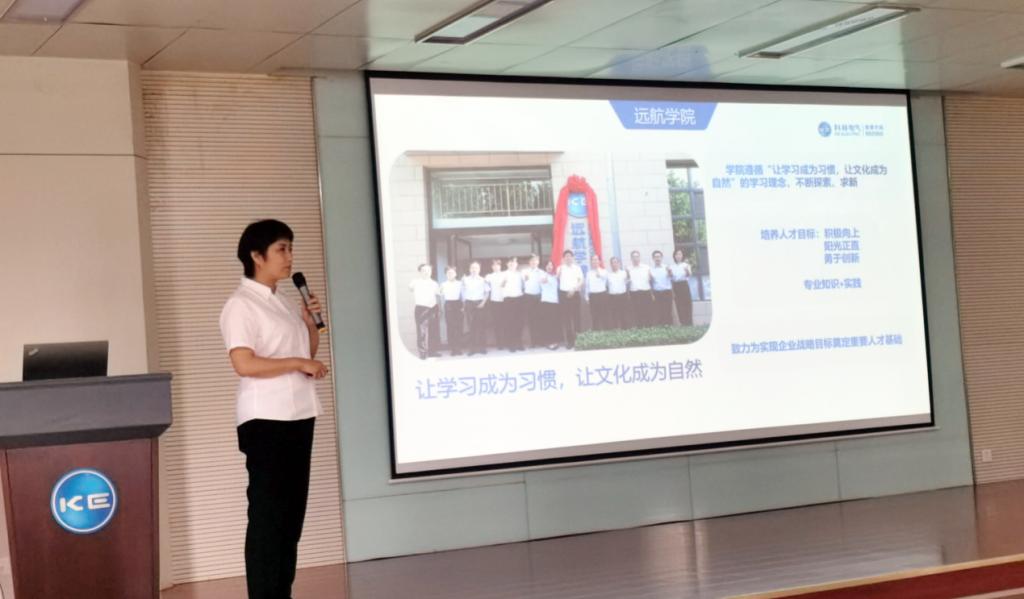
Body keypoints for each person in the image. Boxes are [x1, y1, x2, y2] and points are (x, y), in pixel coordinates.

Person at [219, 219, 328, 599]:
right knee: (268, 519)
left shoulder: (280, 301)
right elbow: (244, 363)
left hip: (299, 415)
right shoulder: (241, 304)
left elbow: (305, 354)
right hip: (266, 420)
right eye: (281, 249)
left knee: (290, 518)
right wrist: (298, 362)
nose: (289, 256)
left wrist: (309, 325)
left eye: (290, 248)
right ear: (256, 255)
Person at [409, 263, 441, 359]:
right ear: (420, 272)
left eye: (428, 270)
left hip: (433, 308)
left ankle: (432, 351)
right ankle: (423, 353)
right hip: (421, 309)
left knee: (433, 331)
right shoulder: (415, 282)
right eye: (424, 270)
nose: (426, 272)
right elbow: (410, 288)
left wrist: (439, 309)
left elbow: (438, 296)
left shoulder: (434, 283)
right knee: (421, 332)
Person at [557, 250, 584, 349]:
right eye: (566, 256)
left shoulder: (577, 268)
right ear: (563, 258)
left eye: (570, 256)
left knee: (577, 318)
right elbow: (557, 279)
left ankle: (579, 341)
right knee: (567, 319)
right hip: (564, 295)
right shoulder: (560, 268)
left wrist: (574, 289)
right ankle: (570, 342)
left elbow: (581, 281)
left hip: (575, 294)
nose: (568, 258)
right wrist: (559, 272)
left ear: (572, 258)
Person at [461, 261, 489, 355]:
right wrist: (464, 304)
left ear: (479, 269)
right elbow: (462, 293)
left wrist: (483, 303)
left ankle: (482, 348)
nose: (474, 269)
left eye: (476, 268)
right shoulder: (465, 280)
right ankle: (472, 349)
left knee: (481, 326)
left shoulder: (483, 280)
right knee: (471, 327)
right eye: (472, 267)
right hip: (469, 303)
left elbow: (487, 292)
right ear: (469, 269)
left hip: (480, 303)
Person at [502, 256, 526, 352]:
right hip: (508, 300)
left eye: (514, 262)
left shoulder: (520, 274)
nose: (512, 264)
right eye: (510, 262)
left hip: (519, 299)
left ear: (517, 264)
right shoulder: (503, 274)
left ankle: (519, 343)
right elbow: (501, 286)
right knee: (509, 323)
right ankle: (511, 344)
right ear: (507, 264)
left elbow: (525, 284)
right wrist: (504, 282)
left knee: (519, 322)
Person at [440, 266, 464, 356]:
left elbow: (463, 295)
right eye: (448, 273)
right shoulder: (443, 284)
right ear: (446, 274)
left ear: (455, 274)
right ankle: (453, 349)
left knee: (459, 327)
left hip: (458, 304)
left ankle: (459, 348)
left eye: (452, 273)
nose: (450, 274)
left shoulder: (460, 283)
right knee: (450, 327)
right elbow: (441, 297)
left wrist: (463, 306)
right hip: (448, 305)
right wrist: (441, 308)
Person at [627, 250, 654, 327]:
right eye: (634, 257)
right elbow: (627, 281)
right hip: (634, 292)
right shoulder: (628, 269)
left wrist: (652, 293)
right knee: (636, 311)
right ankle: (639, 327)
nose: (635, 258)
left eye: (637, 256)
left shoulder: (646, 267)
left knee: (647, 311)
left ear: (639, 257)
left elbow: (651, 280)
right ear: (631, 258)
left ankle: (649, 327)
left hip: (645, 291)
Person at [522, 253, 544, 347]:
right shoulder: (524, 272)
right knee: (530, 320)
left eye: (535, 260)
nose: (533, 262)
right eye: (532, 260)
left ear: (538, 262)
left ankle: (540, 341)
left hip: (539, 297)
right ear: (529, 262)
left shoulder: (541, 272)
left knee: (539, 319)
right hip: (528, 297)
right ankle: (533, 342)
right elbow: (521, 284)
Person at [484, 259, 506, 350]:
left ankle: (507, 342)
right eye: (494, 265)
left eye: (497, 265)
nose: (496, 267)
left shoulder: (505, 274)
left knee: (505, 322)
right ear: (491, 267)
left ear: (500, 266)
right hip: (494, 301)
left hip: (505, 301)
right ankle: (499, 343)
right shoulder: (489, 276)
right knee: (497, 323)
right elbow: (483, 284)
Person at [539, 260, 560, 349]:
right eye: (548, 265)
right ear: (545, 267)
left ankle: (554, 341)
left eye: (551, 265)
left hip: (554, 302)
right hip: (546, 302)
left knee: (554, 322)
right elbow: (543, 281)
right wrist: (546, 277)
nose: (550, 266)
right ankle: (548, 342)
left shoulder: (554, 277)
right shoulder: (543, 275)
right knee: (547, 323)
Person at [670, 249, 694, 326]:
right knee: (679, 305)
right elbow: (671, 278)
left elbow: (689, 275)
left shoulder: (686, 265)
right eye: (677, 254)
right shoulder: (671, 266)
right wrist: (670, 273)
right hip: (676, 286)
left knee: (687, 304)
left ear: (682, 255)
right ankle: (682, 323)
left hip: (684, 285)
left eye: (680, 254)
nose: (678, 256)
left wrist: (687, 271)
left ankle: (689, 323)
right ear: (674, 256)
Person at [585, 254, 609, 331]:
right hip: (593, 296)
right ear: (591, 262)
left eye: (596, 259)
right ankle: (596, 333)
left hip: (602, 295)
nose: (595, 261)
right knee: (594, 316)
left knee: (604, 315)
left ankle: (606, 332)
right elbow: (587, 286)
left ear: (599, 261)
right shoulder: (589, 273)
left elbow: (606, 281)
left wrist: (599, 273)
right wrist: (587, 297)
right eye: (593, 260)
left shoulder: (604, 271)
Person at [650, 250, 674, 326]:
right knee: (658, 311)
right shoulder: (651, 269)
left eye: (659, 256)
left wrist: (670, 272)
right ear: (653, 258)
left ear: (661, 257)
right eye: (655, 257)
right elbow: (651, 282)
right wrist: (652, 294)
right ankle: (660, 328)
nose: (657, 258)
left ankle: (669, 327)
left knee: (667, 311)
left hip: (667, 292)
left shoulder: (667, 267)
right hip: (656, 293)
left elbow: (672, 277)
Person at [606, 256, 630, 330]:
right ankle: (616, 331)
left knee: (624, 314)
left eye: (616, 262)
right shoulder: (608, 275)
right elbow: (606, 286)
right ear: (610, 264)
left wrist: (628, 273)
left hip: (623, 296)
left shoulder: (624, 273)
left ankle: (625, 330)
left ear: (619, 263)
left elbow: (628, 281)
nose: (614, 264)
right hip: (612, 297)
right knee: (614, 315)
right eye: (613, 263)